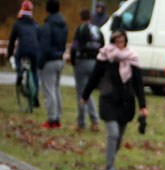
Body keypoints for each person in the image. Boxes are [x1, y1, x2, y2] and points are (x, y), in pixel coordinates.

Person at [81, 30, 148, 170]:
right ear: (112, 42)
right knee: (113, 132)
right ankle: (109, 165)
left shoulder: (132, 58)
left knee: (119, 136)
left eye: (122, 42)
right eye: (117, 42)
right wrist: (85, 95)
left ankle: (111, 157)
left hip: (126, 102)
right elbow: (94, 77)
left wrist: (143, 105)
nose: (119, 45)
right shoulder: (104, 57)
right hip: (108, 100)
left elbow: (138, 83)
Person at [70, 9, 104, 132]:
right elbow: (103, 46)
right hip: (95, 62)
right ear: (90, 17)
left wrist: (73, 61)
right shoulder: (98, 30)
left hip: (83, 61)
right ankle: (95, 122)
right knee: (88, 92)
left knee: (82, 93)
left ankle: (81, 123)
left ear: (81, 18)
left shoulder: (80, 29)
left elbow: (74, 47)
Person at [38, 0, 68, 129]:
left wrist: (40, 63)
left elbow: (44, 46)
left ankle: (52, 119)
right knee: (56, 89)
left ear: (47, 9)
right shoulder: (64, 25)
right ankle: (57, 117)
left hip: (49, 60)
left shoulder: (47, 25)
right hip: (60, 59)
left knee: (49, 90)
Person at [8, 1, 40, 108]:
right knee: (34, 71)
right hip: (35, 50)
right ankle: (35, 95)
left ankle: (19, 74)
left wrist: (10, 54)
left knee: (17, 59)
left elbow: (12, 41)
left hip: (22, 49)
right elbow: (39, 39)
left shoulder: (18, 24)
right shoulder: (35, 24)